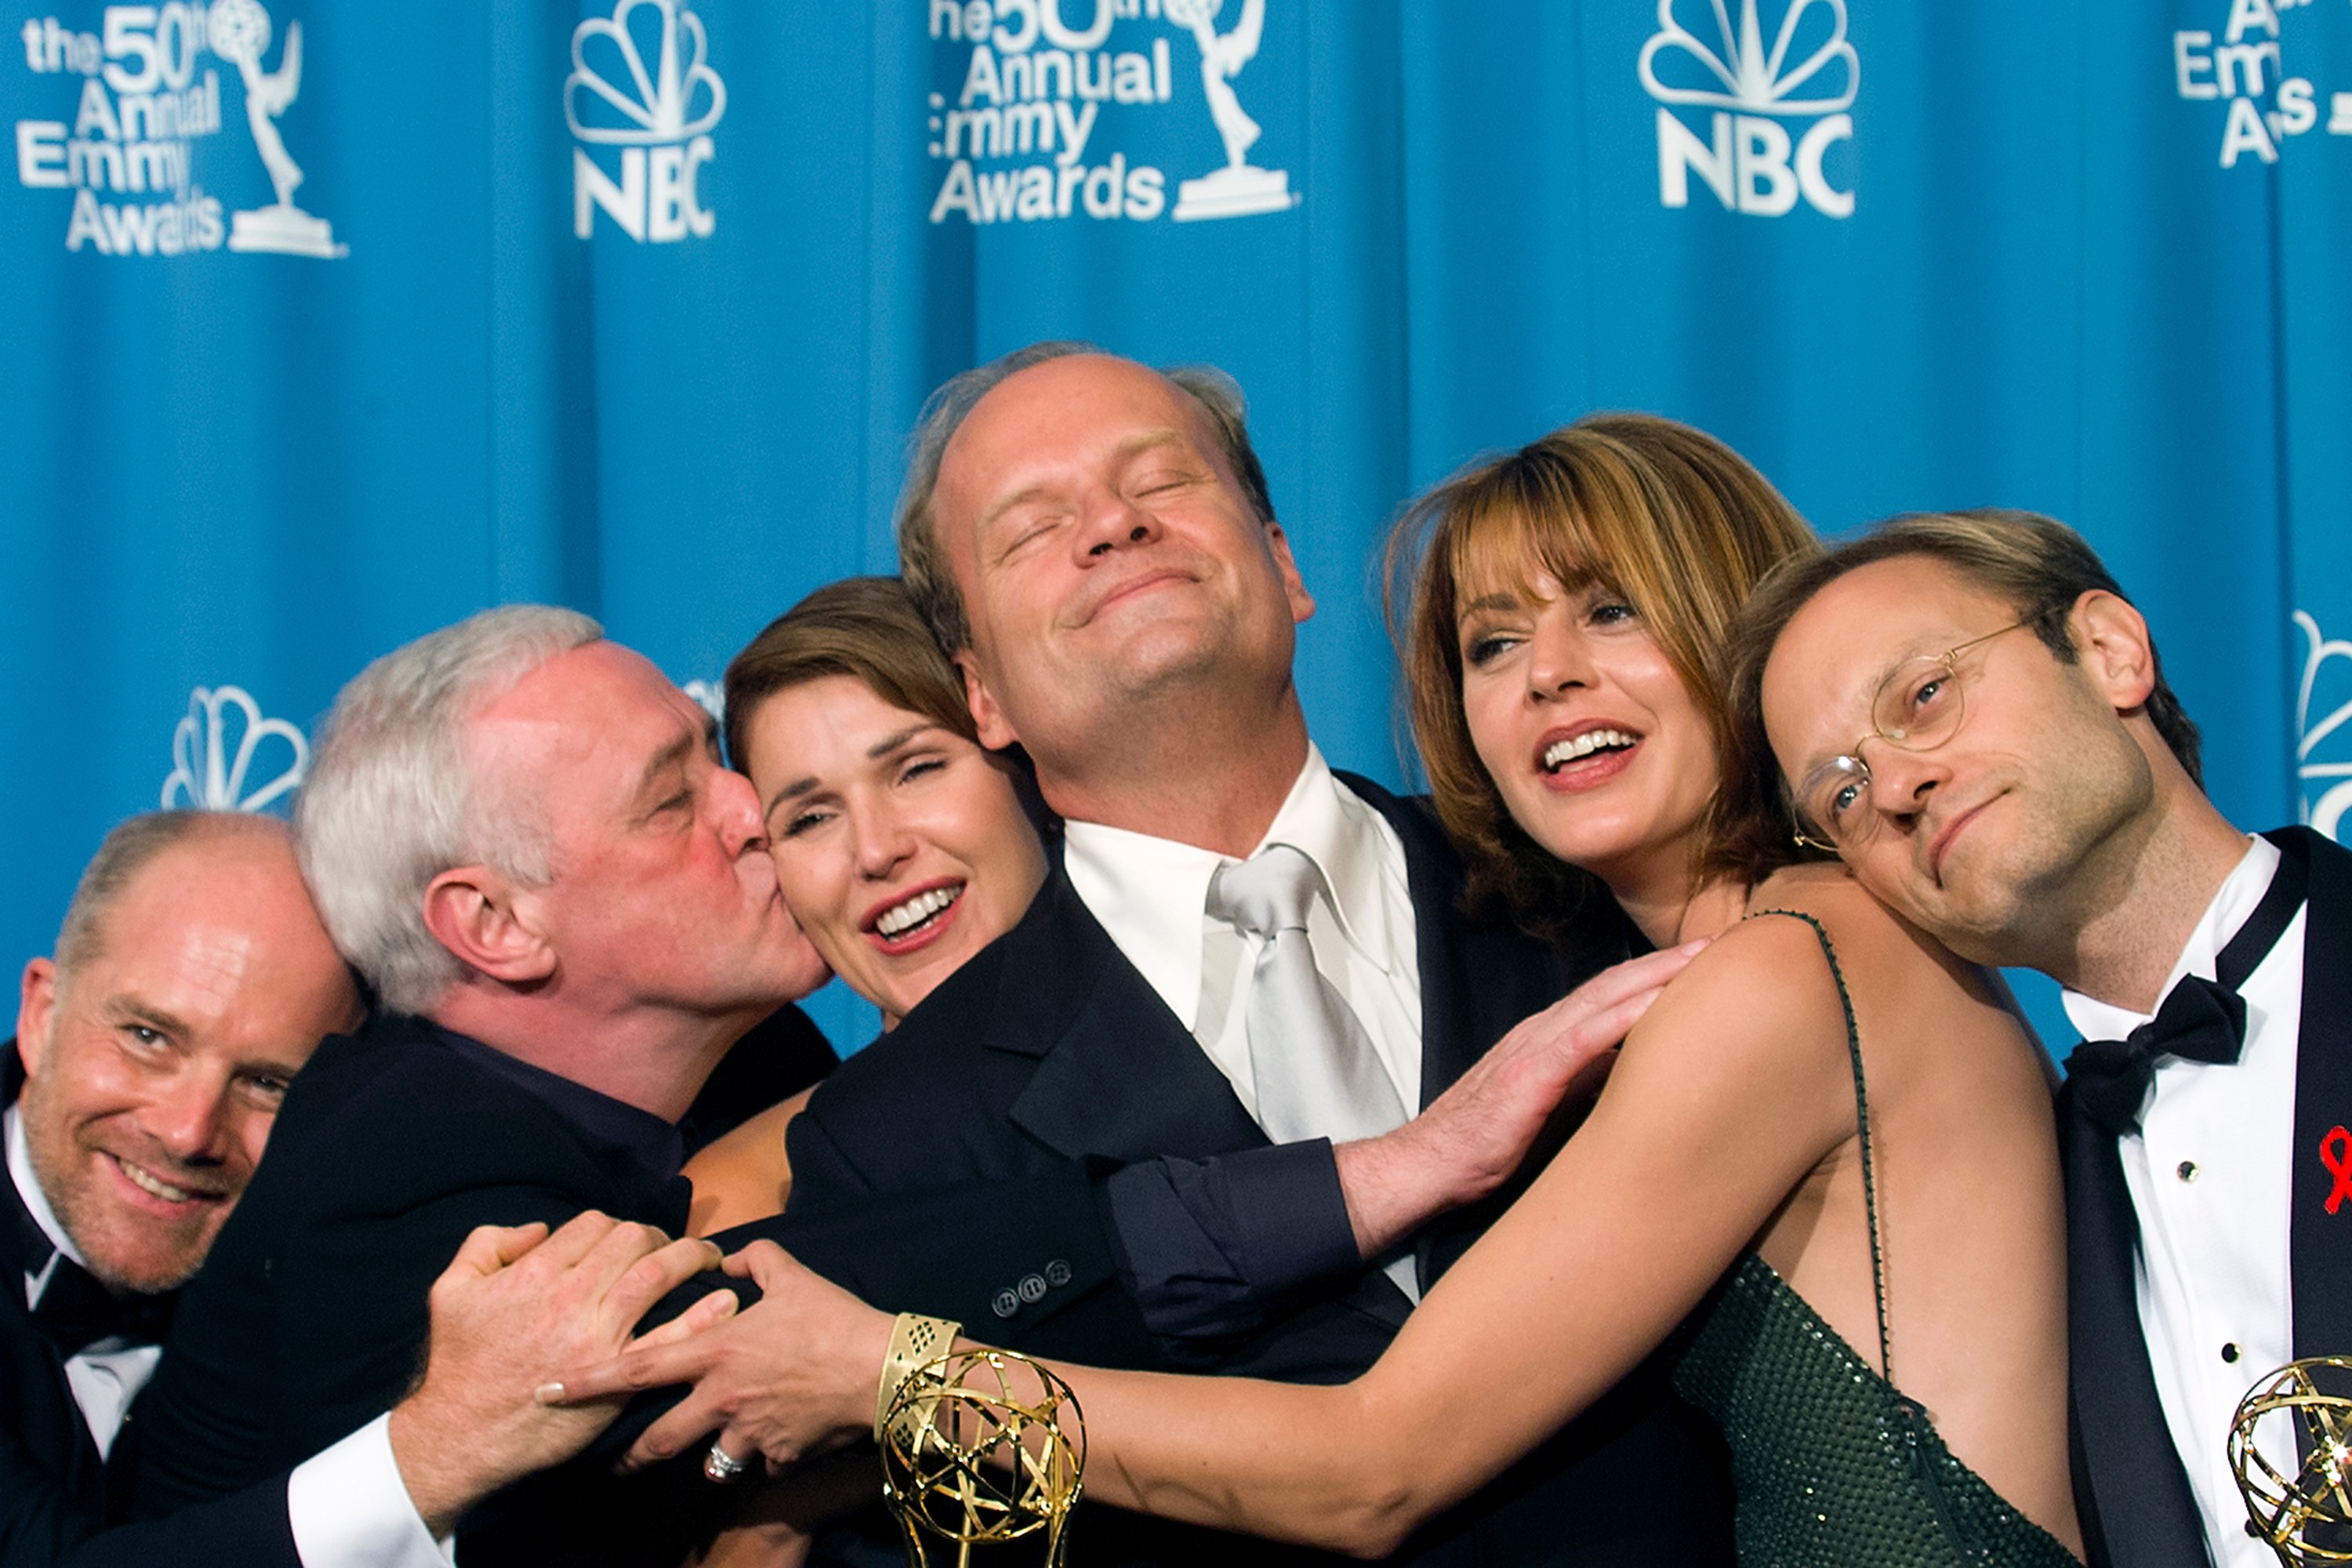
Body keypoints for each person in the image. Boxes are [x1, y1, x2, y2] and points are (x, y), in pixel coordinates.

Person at [554, 416, 2086, 1566]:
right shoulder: (882, 1135)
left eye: (1610, 611)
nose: (1551, 675)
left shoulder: (1752, 970)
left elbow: (1379, 1455)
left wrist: (890, 1376)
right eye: (1495, 640)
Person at [120, 609, 839, 1566]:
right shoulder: (407, 1168)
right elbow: (805, 1394)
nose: (755, 808)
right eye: (672, 800)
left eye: (715, 752)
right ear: (494, 923)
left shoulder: (756, 1044)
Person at [1737, 509, 2341, 1568]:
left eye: (1923, 696)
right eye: (1840, 795)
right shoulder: (2023, 1215)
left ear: (2109, 652)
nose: (1894, 787)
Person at [4, 810, 724, 1568]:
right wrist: (426, 1457)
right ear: (42, 1016)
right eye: (147, 1038)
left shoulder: (354, 1235)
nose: (189, 1132)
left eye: (266, 1083)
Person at [681, 576, 1051, 1233]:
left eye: (916, 770)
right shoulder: (745, 1204)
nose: (876, 851)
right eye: (811, 818)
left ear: (1025, 760)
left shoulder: (1241, 1028)